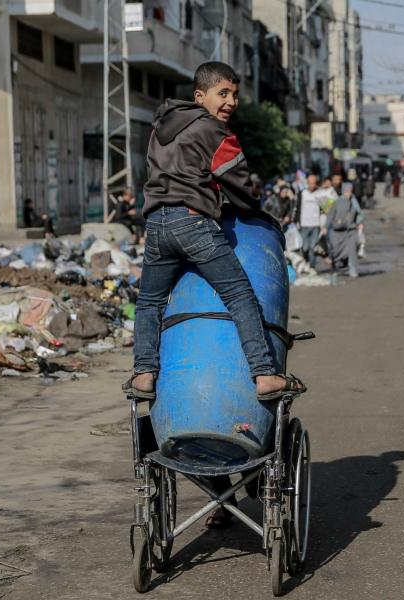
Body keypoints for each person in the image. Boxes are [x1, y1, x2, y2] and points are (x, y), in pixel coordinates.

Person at [128, 61, 299, 407]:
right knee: (239, 294)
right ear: (200, 95)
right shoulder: (214, 131)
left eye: (234, 94)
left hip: (157, 224)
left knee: (149, 302)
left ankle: (144, 373)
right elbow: (240, 183)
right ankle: (264, 373)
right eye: (223, 93)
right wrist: (254, 209)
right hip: (193, 223)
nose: (231, 102)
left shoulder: (161, 127)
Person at [322, 182, 364, 278]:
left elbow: (359, 213)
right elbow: (330, 215)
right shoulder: (336, 202)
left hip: (351, 231)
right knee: (336, 251)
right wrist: (325, 227)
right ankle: (337, 267)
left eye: (350, 191)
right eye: (347, 191)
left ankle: (353, 269)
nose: (349, 193)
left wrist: (360, 223)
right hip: (337, 232)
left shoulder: (354, 202)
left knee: (352, 250)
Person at [297, 174, 327, 270]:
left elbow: (325, 209)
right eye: (310, 183)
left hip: (315, 225)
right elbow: (297, 208)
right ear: (307, 183)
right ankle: (306, 262)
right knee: (304, 247)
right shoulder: (302, 193)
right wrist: (296, 221)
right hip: (303, 224)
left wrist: (323, 224)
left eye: (314, 183)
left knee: (313, 248)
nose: (312, 185)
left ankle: (312, 267)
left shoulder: (320, 194)